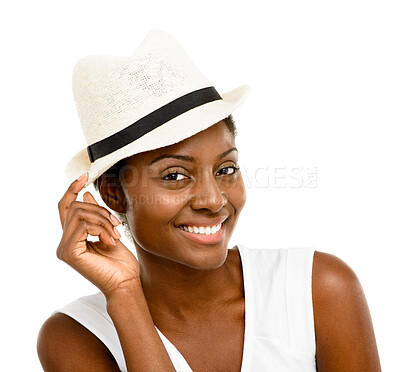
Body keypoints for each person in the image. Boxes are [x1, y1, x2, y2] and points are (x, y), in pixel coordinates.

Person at [37, 30, 381, 371]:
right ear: (113, 193)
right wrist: (125, 294)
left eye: (226, 168)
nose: (213, 200)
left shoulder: (318, 289)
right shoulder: (75, 337)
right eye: (175, 176)